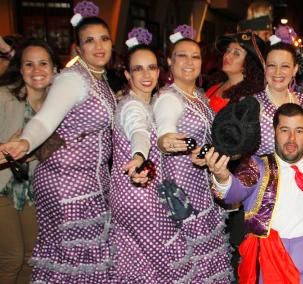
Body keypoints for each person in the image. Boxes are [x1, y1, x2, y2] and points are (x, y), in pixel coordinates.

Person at [0, 1, 117, 281]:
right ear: (78, 48)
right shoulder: (72, 79)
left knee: (72, 260)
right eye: (89, 40)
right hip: (67, 184)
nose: (98, 45)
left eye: (104, 38)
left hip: (90, 183)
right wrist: (26, 141)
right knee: (69, 260)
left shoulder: (98, 78)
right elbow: (45, 120)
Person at [206, 103, 303, 283]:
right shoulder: (257, 167)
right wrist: (222, 177)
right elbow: (234, 193)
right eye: (284, 130)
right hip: (266, 273)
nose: (291, 138)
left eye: (299, 131)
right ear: (274, 132)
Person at [153, 25, 232, 282]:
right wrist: (168, 140)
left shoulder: (198, 95)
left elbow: (204, 140)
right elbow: (166, 131)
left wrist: (204, 151)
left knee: (207, 264)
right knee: (190, 266)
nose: (189, 62)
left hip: (202, 191)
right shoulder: (169, 98)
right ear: (169, 62)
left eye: (195, 56)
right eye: (182, 56)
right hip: (181, 196)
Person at [109, 27, 187, 282]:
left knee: (139, 265)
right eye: (138, 69)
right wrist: (140, 157)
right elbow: (138, 132)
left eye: (151, 68)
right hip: (139, 199)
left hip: (137, 195)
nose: (146, 74)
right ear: (127, 74)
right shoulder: (132, 106)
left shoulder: (146, 103)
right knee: (161, 266)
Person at [0, 38, 59, 284]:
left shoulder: (56, 104)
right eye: (29, 64)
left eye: (43, 63)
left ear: (54, 69)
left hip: (33, 191)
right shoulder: (4, 98)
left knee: (31, 258)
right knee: (11, 258)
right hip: (2, 189)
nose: (37, 71)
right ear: (20, 69)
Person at [253, 25, 303, 162]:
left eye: (285, 66)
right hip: (264, 180)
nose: (277, 72)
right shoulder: (252, 104)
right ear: (265, 68)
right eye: (272, 66)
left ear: (295, 70)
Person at [206, 31, 266, 113]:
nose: (227, 56)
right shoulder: (214, 87)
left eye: (236, 53)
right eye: (228, 50)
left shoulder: (250, 99)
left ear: (248, 62)